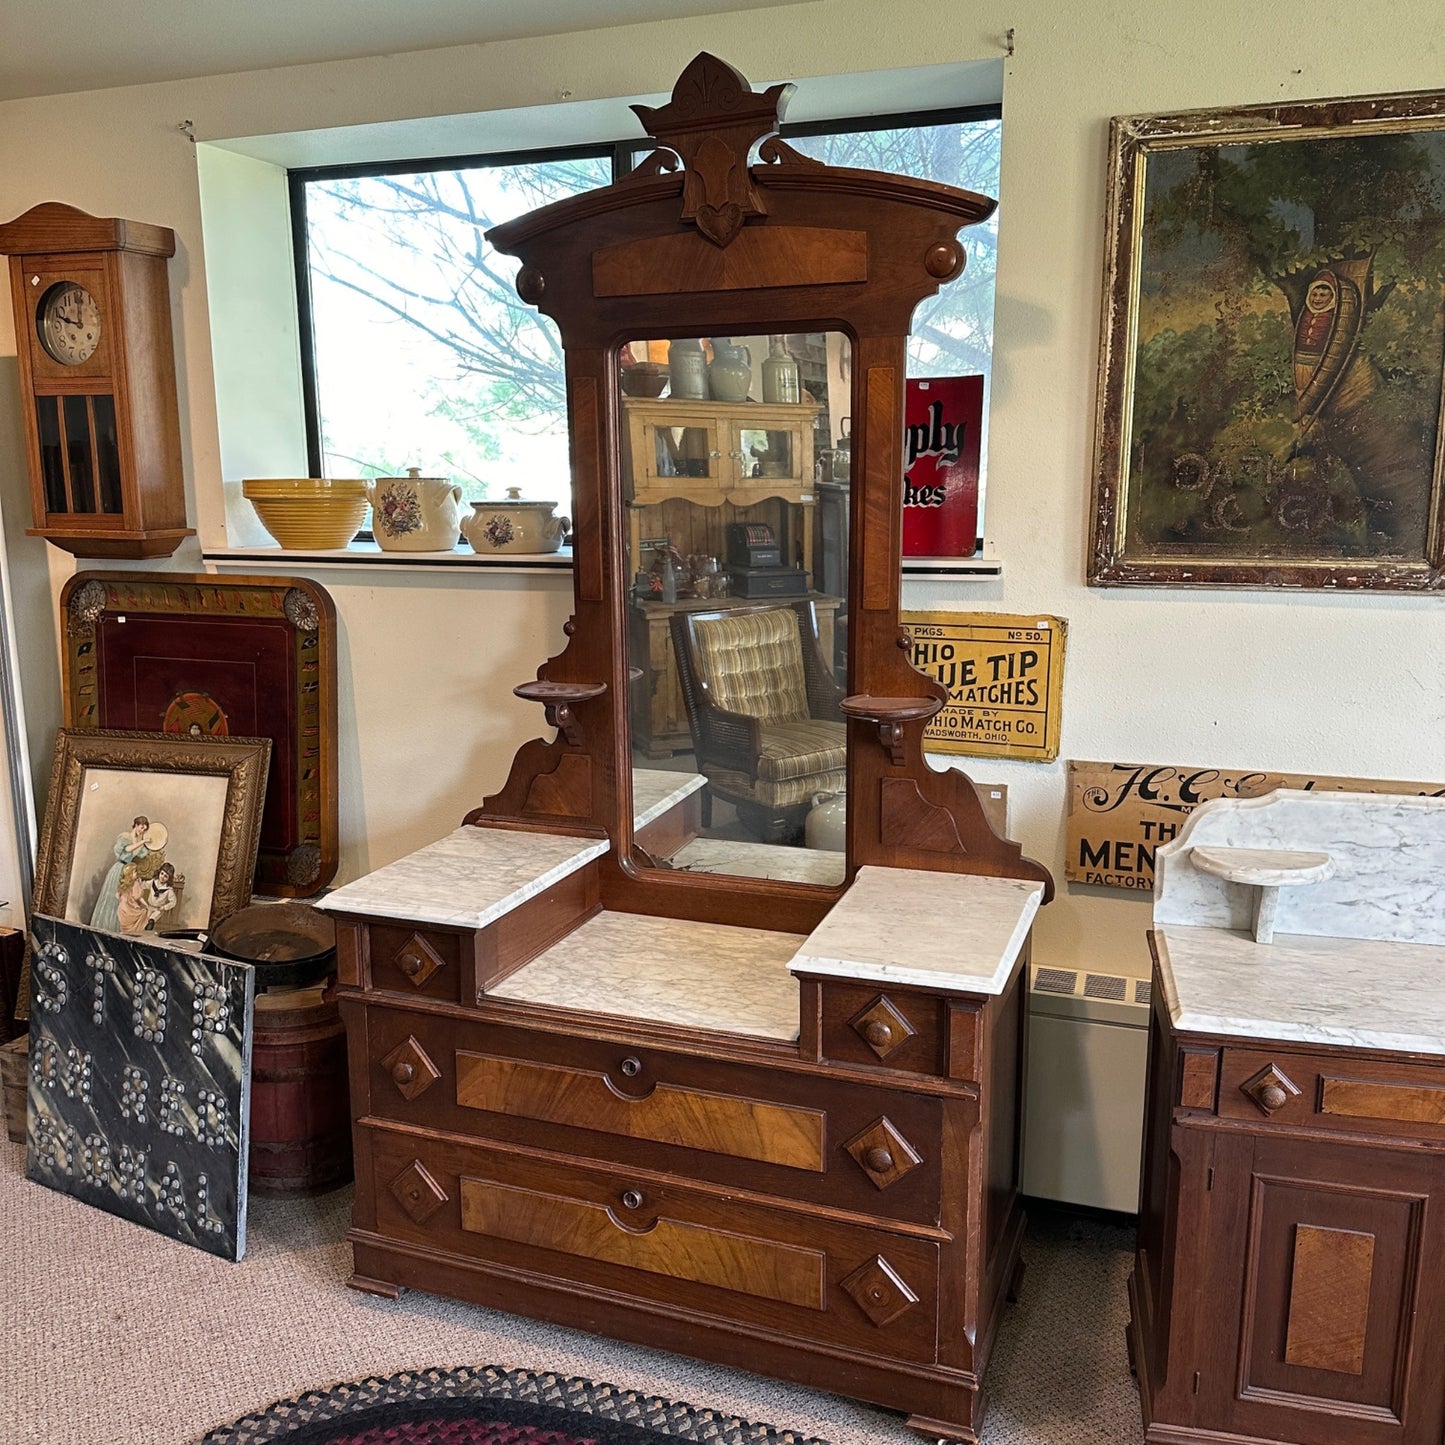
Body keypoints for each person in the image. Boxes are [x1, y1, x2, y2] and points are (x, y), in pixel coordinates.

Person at [90, 816, 152, 931]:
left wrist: (144, 841)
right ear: (136, 825)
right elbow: (127, 850)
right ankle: (106, 926)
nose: (142, 830)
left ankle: (117, 928)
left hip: (127, 871)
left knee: (124, 900)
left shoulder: (138, 842)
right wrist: (143, 841)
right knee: (113, 898)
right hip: (119, 869)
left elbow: (143, 853)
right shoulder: (125, 837)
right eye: (141, 827)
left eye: (144, 829)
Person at [116, 861, 180, 934]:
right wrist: (138, 883)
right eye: (162, 873)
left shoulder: (168, 890)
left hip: (158, 909)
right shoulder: (153, 882)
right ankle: (139, 934)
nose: (162, 877)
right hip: (150, 906)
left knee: (151, 921)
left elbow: (173, 902)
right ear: (159, 872)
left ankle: (147, 934)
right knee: (144, 921)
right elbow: (144, 885)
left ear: (169, 878)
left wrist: (164, 907)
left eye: (166, 876)